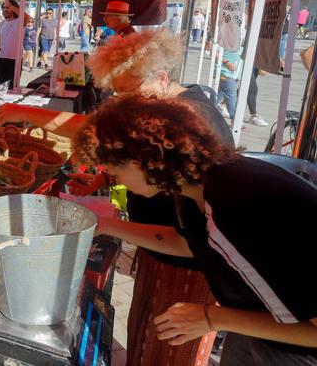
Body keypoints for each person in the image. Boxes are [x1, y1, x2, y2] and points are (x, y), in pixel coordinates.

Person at [0, 29, 235, 366]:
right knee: (144, 340)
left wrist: (107, 225)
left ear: (162, 78)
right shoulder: (167, 104)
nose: (125, 104)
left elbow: (189, 242)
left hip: (189, 269)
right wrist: (102, 180)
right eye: (118, 95)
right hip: (162, 252)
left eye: (130, 92)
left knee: (165, 353)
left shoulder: (186, 120)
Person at [72, 95, 317, 364]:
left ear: (140, 162)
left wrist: (212, 317)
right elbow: (185, 243)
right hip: (257, 324)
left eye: (115, 174)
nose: (118, 182)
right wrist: (107, 225)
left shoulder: (234, 203)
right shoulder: (193, 187)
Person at [0, 0, 23, 86]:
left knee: (12, 89)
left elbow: (25, 16)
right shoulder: (2, 23)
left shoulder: (20, 21)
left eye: (8, 8)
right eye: (3, 8)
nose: (5, 10)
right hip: (1, 60)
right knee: (1, 88)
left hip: (15, 60)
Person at [217, 48, 242, 119]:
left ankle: (203, 112)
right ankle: (234, 120)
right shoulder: (226, 37)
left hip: (235, 72)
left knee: (220, 94)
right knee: (231, 95)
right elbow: (214, 51)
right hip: (225, 71)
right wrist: (226, 62)